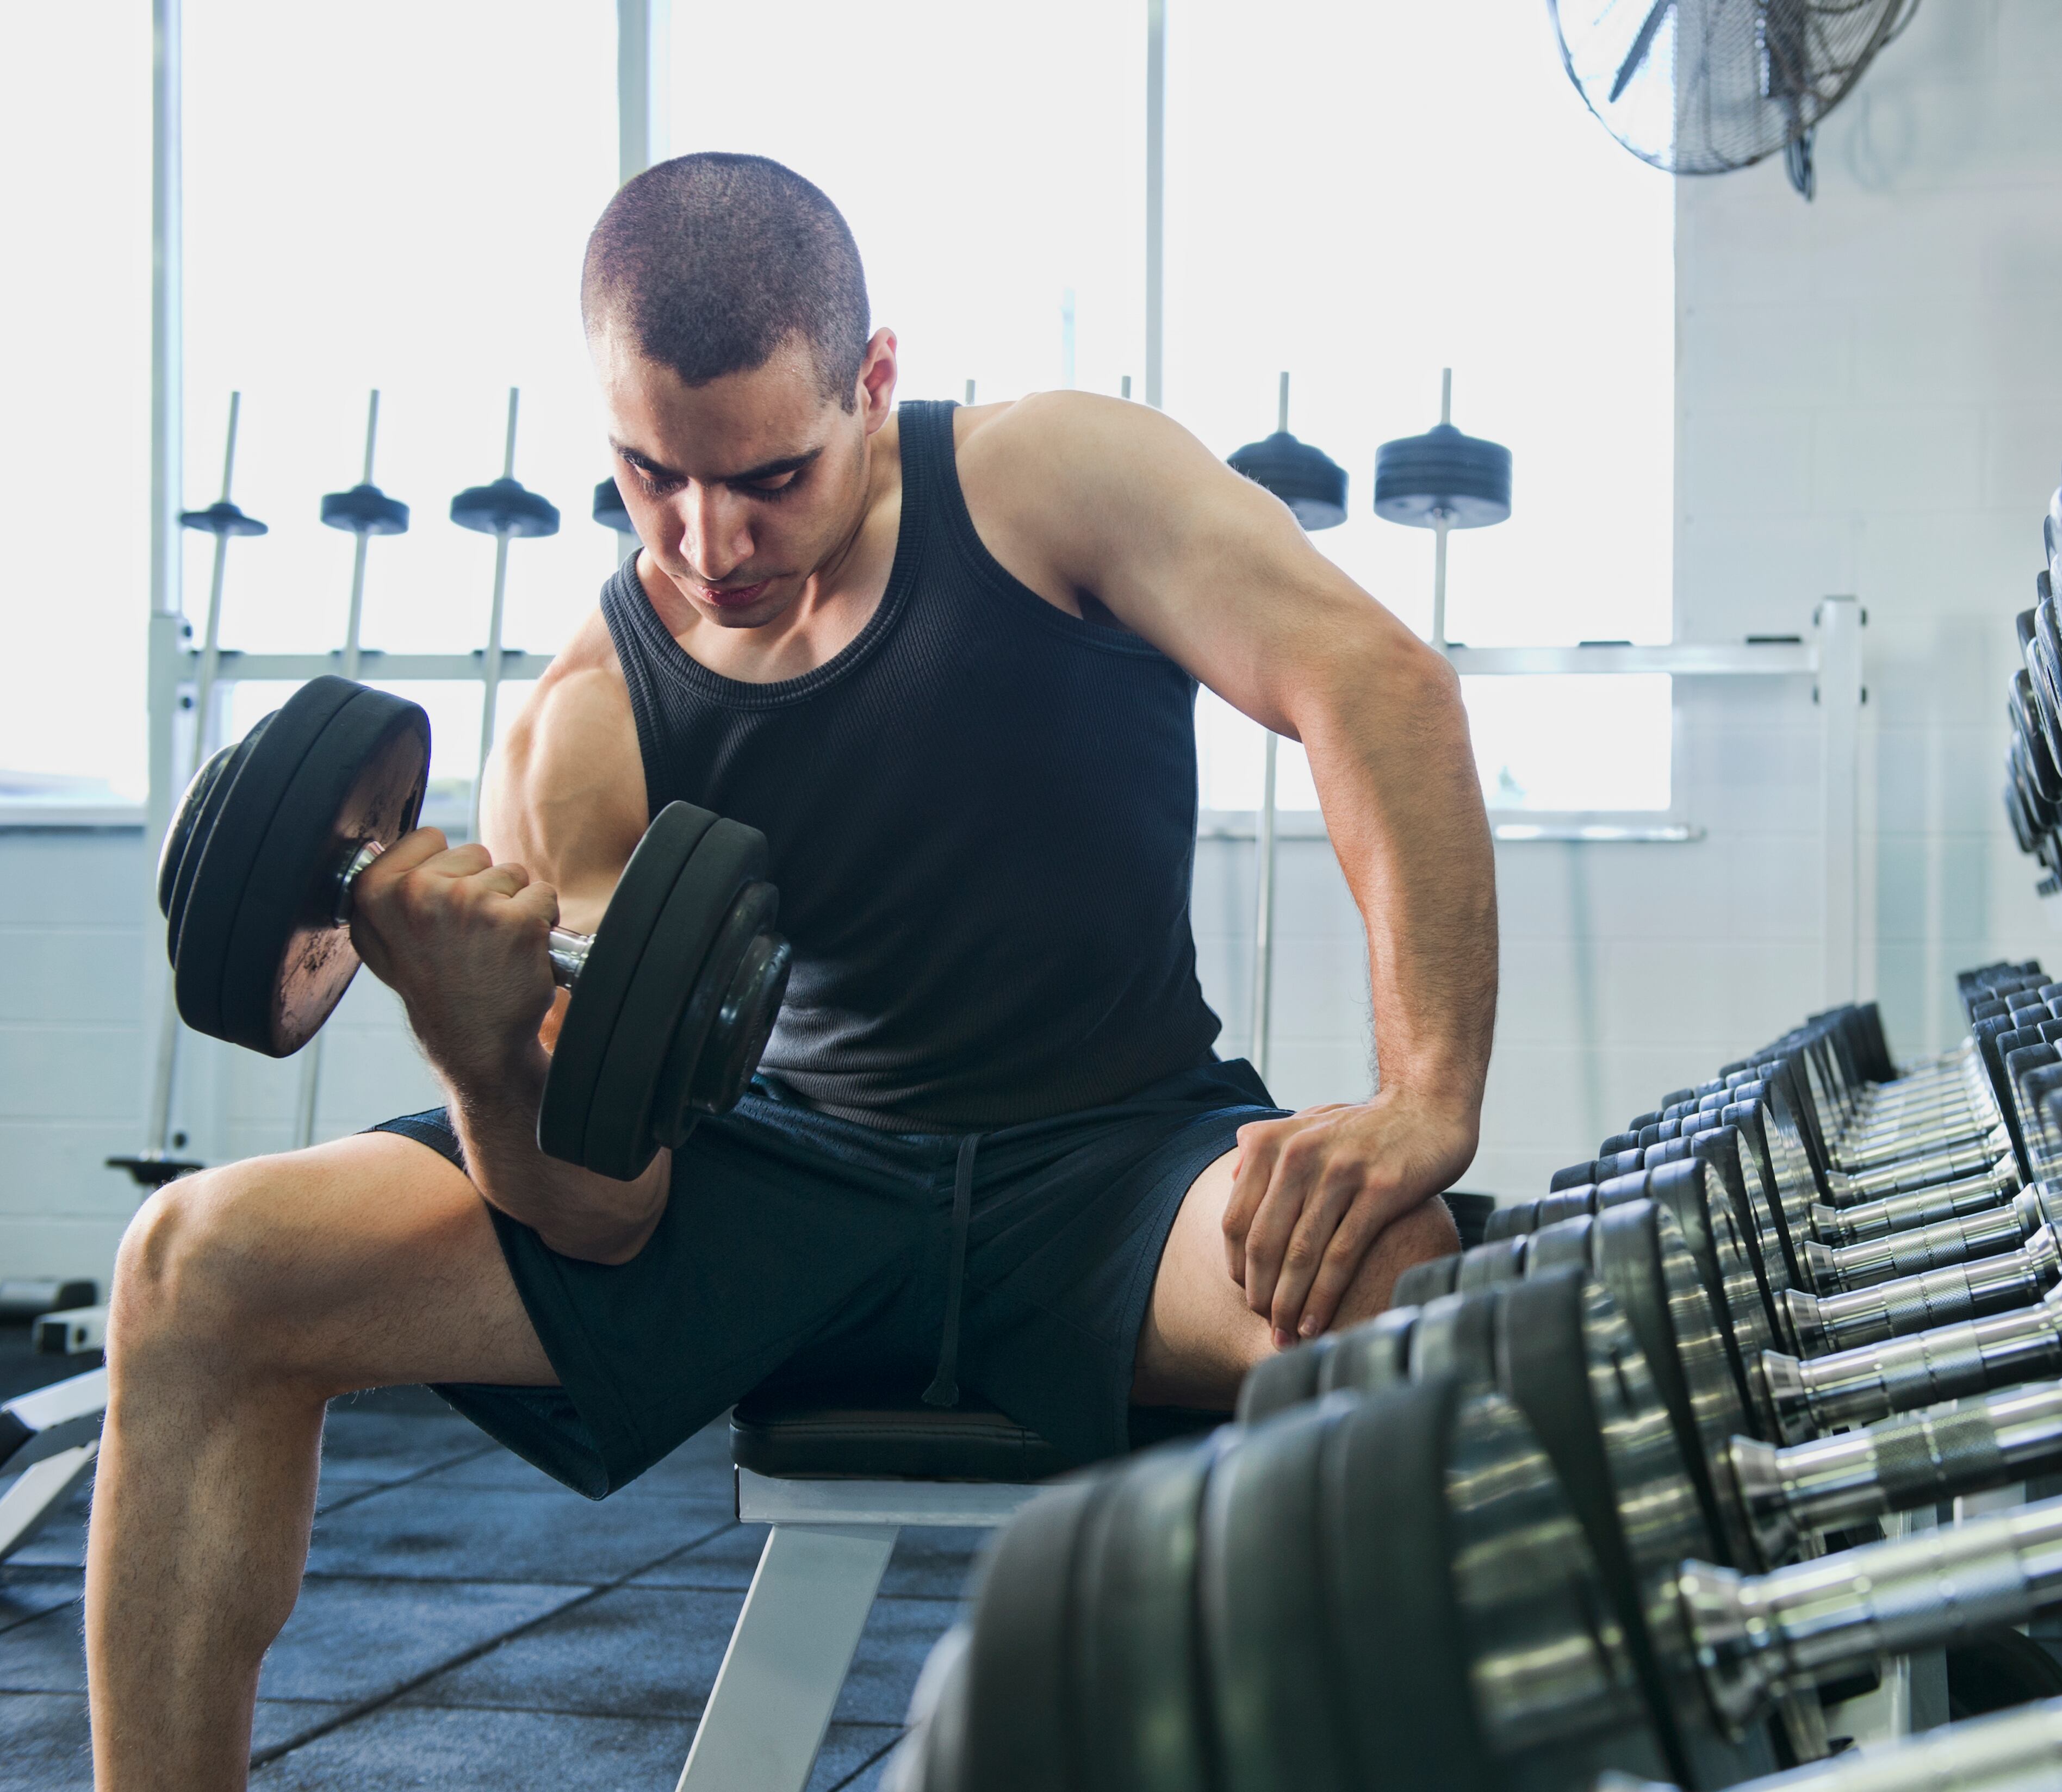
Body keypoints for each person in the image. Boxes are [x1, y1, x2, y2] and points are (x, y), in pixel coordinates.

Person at [88, 152, 1494, 1788]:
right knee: (198, 1265)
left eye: (768, 475)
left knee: (1389, 1274)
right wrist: (479, 1048)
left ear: (873, 381)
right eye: (649, 476)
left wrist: (1428, 1094)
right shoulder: (584, 722)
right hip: (778, 1182)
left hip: (1113, 1160)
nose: (709, 537)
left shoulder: (1047, 482)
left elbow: (1376, 685)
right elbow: (608, 1208)